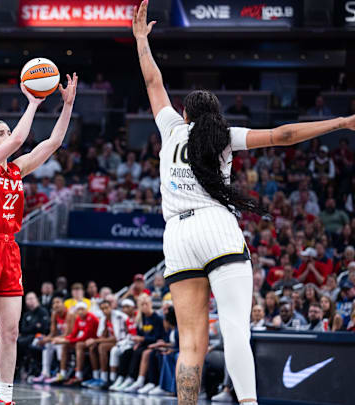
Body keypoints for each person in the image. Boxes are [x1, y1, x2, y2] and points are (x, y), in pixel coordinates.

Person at [132, 2, 355, 404]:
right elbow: (285, 135)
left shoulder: (169, 129)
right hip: (216, 228)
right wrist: (340, 123)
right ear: (214, 114)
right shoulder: (224, 136)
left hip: (177, 236)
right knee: (236, 329)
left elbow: (152, 82)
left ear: (185, 113)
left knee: (190, 343)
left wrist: (141, 41)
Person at [0, 72, 78, 405]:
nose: (7, 135)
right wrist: (33, 103)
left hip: (9, 248)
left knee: (11, 331)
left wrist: (67, 106)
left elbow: (51, 144)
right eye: (1, 133)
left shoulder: (16, 169)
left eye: (7, 131)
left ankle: (4, 398)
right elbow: (21, 138)